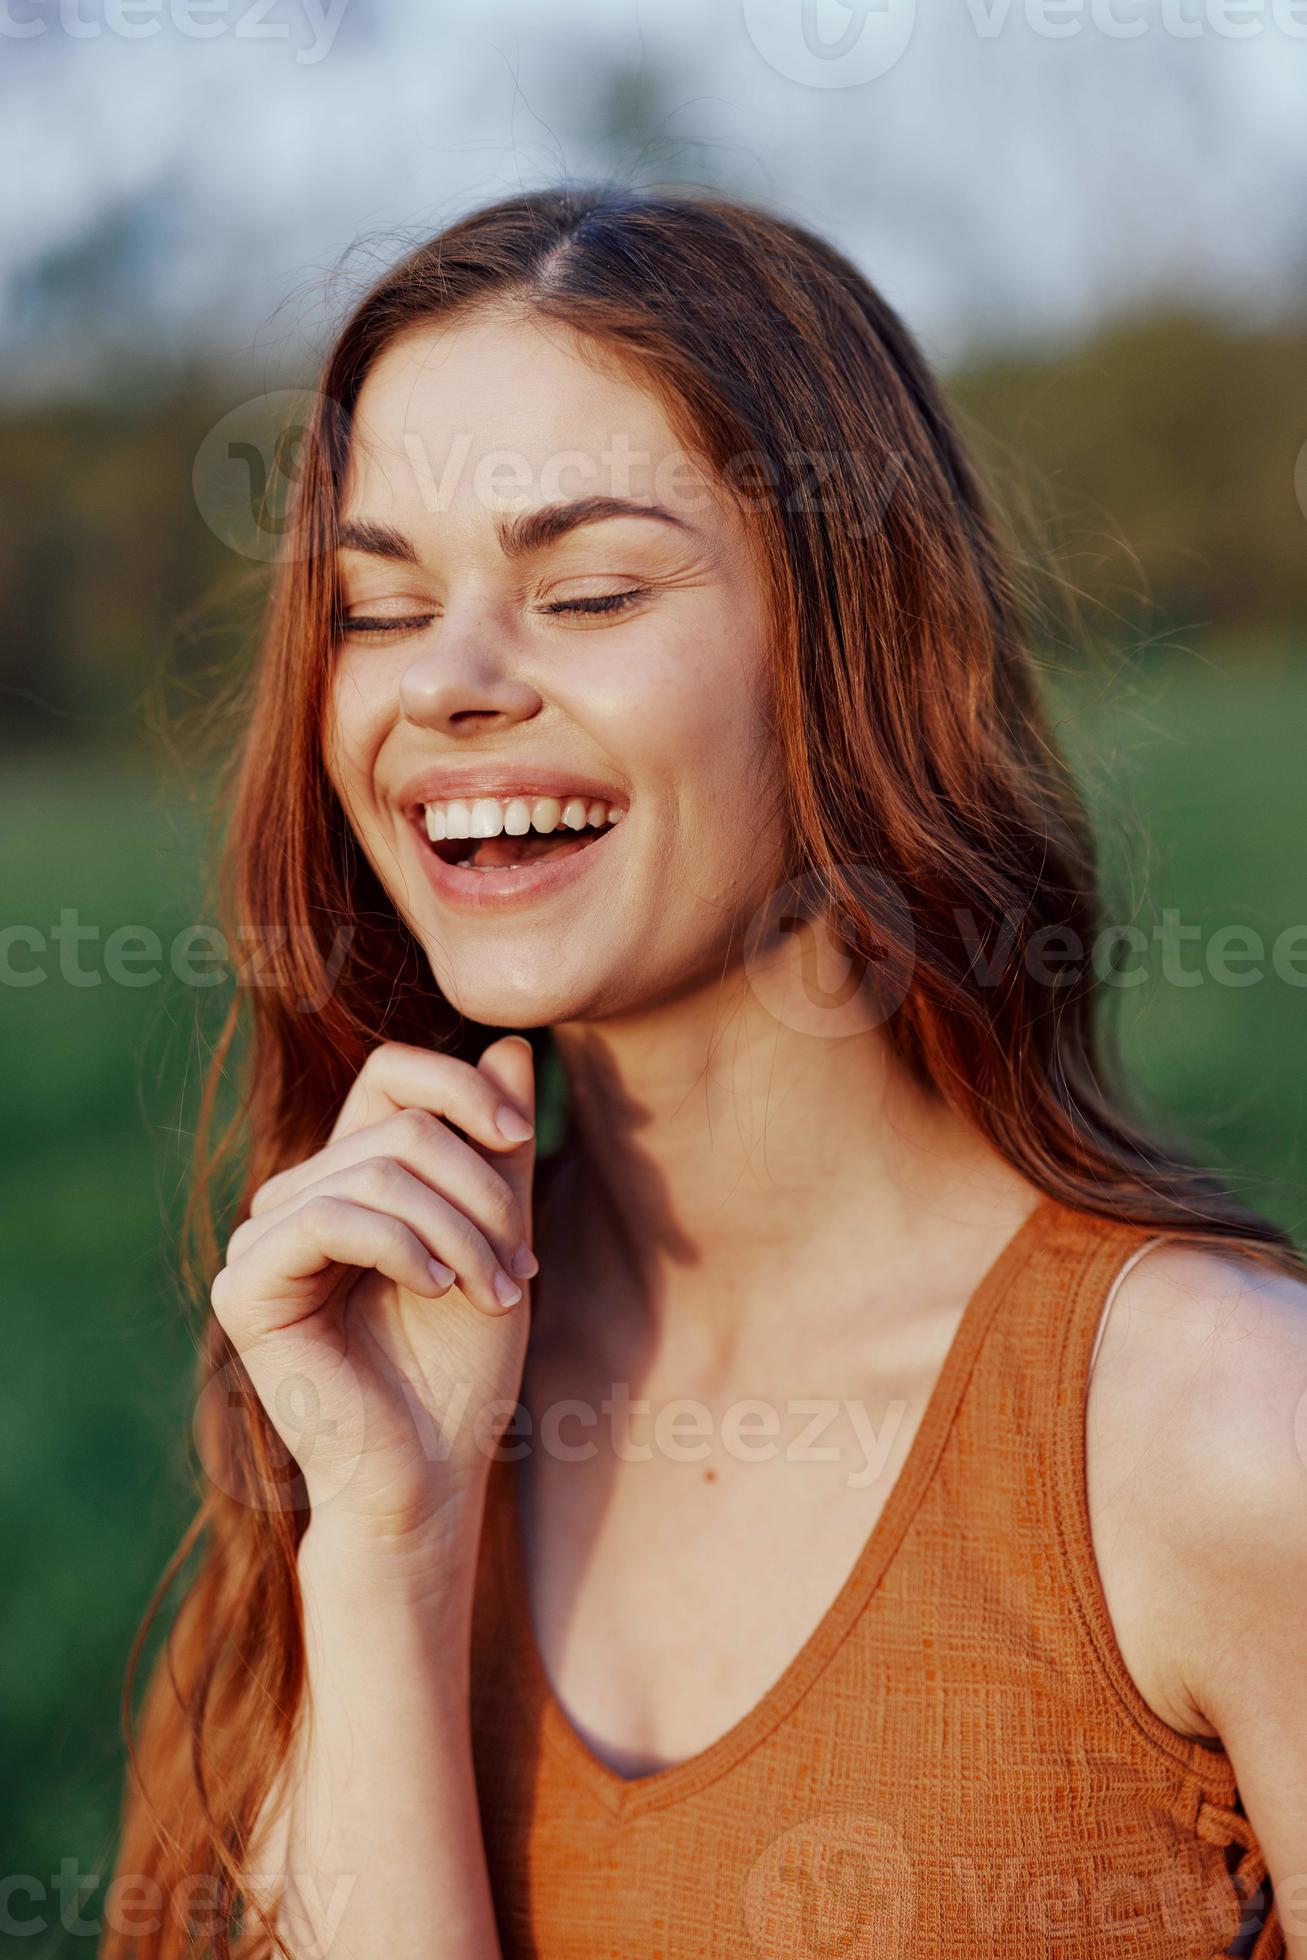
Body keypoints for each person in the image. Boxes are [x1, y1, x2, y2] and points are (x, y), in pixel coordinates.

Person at [105, 183, 1307, 1959]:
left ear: (854, 648)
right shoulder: (355, 1404)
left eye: (585, 591)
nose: (445, 684)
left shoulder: (1224, 1437)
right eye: (377, 607)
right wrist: (384, 1555)